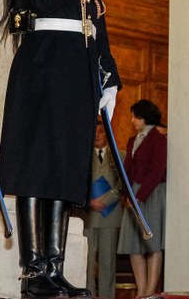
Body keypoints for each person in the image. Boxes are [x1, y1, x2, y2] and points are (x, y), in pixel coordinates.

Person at [0, 0, 120, 298]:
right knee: (38, 169)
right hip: (45, 65)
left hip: (78, 68)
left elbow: (95, 20)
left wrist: (109, 75)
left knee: (65, 172)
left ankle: (54, 269)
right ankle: (34, 273)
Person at [117, 100, 167, 297]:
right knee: (133, 244)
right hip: (134, 193)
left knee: (152, 243)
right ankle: (141, 290)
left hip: (152, 193)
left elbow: (157, 171)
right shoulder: (132, 140)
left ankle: (150, 290)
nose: (132, 120)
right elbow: (128, 169)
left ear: (145, 117)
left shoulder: (159, 139)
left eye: (135, 116)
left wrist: (140, 196)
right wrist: (127, 195)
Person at [82, 121, 124, 298]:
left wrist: (106, 200)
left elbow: (123, 183)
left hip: (111, 214)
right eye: (94, 132)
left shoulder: (120, 155)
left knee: (108, 259)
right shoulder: (82, 157)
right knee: (88, 259)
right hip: (89, 214)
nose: (97, 135)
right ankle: (88, 294)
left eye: (100, 132)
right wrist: (89, 201)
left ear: (107, 134)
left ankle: (108, 296)